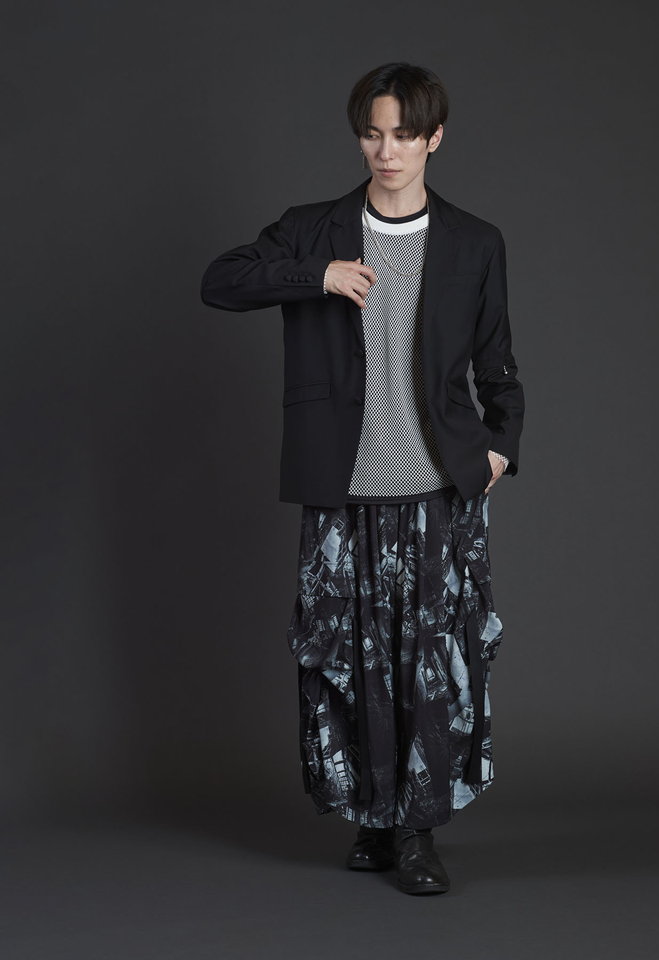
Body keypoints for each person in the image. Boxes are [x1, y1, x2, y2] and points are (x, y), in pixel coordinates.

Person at [201, 62, 524, 895]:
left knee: (429, 666)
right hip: (341, 488)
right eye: (373, 134)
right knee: (345, 658)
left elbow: (498, 368)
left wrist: (500, 447)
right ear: (360, 138)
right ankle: (371, 820)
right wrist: (318, 275)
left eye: (405, 135)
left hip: (437, 490)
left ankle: (416, 832)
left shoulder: (474, 241)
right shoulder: (313, 230)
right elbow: (220, 281)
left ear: (434, 139)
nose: (388, 151)